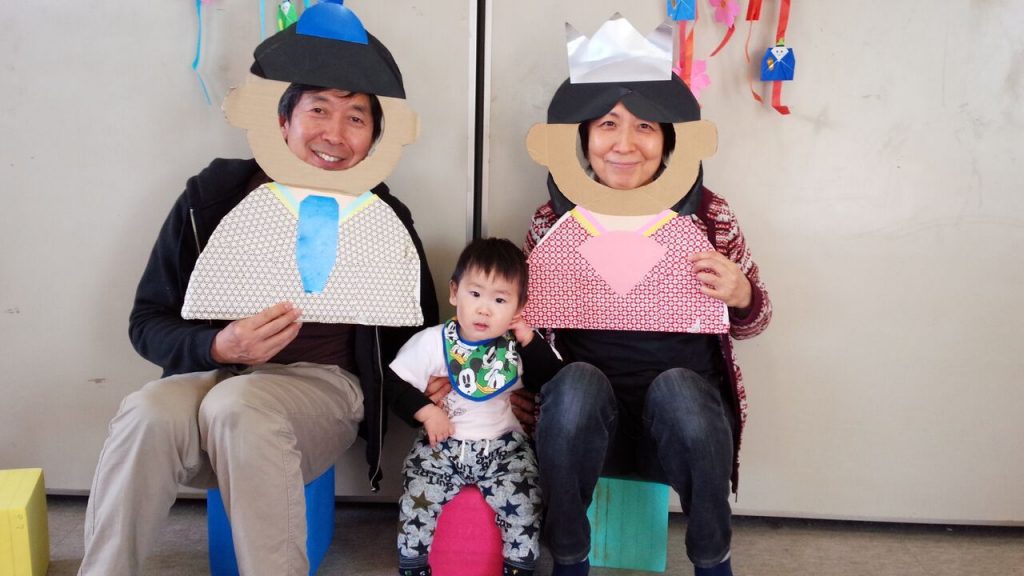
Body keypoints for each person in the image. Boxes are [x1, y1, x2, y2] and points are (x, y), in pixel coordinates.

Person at [78, 4, 438, 576]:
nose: (334, 134)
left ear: (375, 137)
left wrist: (447, 383)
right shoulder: (213, 198)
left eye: (356, 117)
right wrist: (218, 346)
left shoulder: (384, 218)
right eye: (318, 109)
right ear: (282, 120)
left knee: (240, 405)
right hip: (214, 375)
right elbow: (147, 322)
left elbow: (420, 340)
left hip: (322, 388)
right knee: (147, 409)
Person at [516, 18, 772, 576]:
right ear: (583, 138)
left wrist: (742, 293)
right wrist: (509, 386)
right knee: (575, 387)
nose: (625, 144)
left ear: (671, 141)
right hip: (585, 424)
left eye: (646, 126)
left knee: (681, 391)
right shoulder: (552, 221)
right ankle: (568, 557)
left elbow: (755, 323)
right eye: (607, 124)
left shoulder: (709, 216)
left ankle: (713, 559)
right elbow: (516, 328)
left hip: (681, 426)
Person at [385, 238, 562, 576]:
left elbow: (553, 381)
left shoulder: (518, 348)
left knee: (525, 502)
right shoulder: (433, 342)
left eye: (500, 300)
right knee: (417, 498)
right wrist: (427, 411)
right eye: (475, 294)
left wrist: (528, 339)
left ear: (519, 307)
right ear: (454, 292)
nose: (484, 309)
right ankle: (413, 563)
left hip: (505, 449)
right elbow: (394, 384)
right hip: (441, 447)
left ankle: (519, 565)